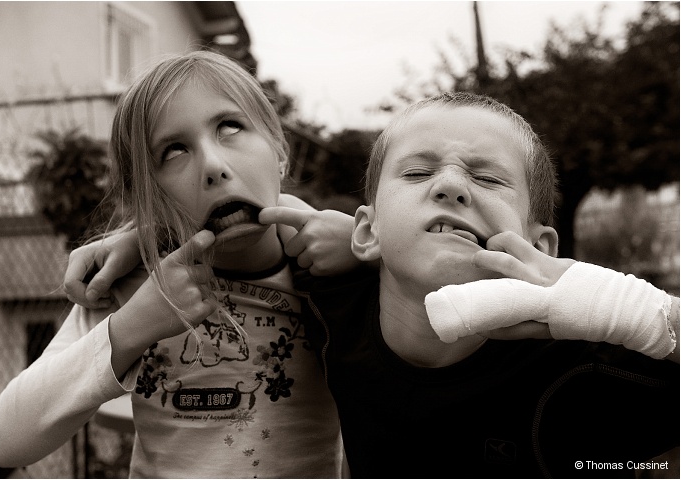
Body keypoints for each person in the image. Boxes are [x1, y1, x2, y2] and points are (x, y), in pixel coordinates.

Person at [59, 92, 680, 478]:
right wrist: (148, 233)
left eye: (487, 180)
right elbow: (251, 213)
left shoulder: (596, 366)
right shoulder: (336, 300)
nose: (452, 186)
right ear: (367, 233)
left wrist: (614, 304)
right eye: (418, 171)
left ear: (540, 246)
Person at [0, 50, 350, 478]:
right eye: (174, 152)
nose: (213, 166)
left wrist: (368, 252)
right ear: (147, 197)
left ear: (280, 151)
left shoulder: (334, 274)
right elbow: (4, 443)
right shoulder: (133, 286)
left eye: (230, 127)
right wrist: (133, 326)